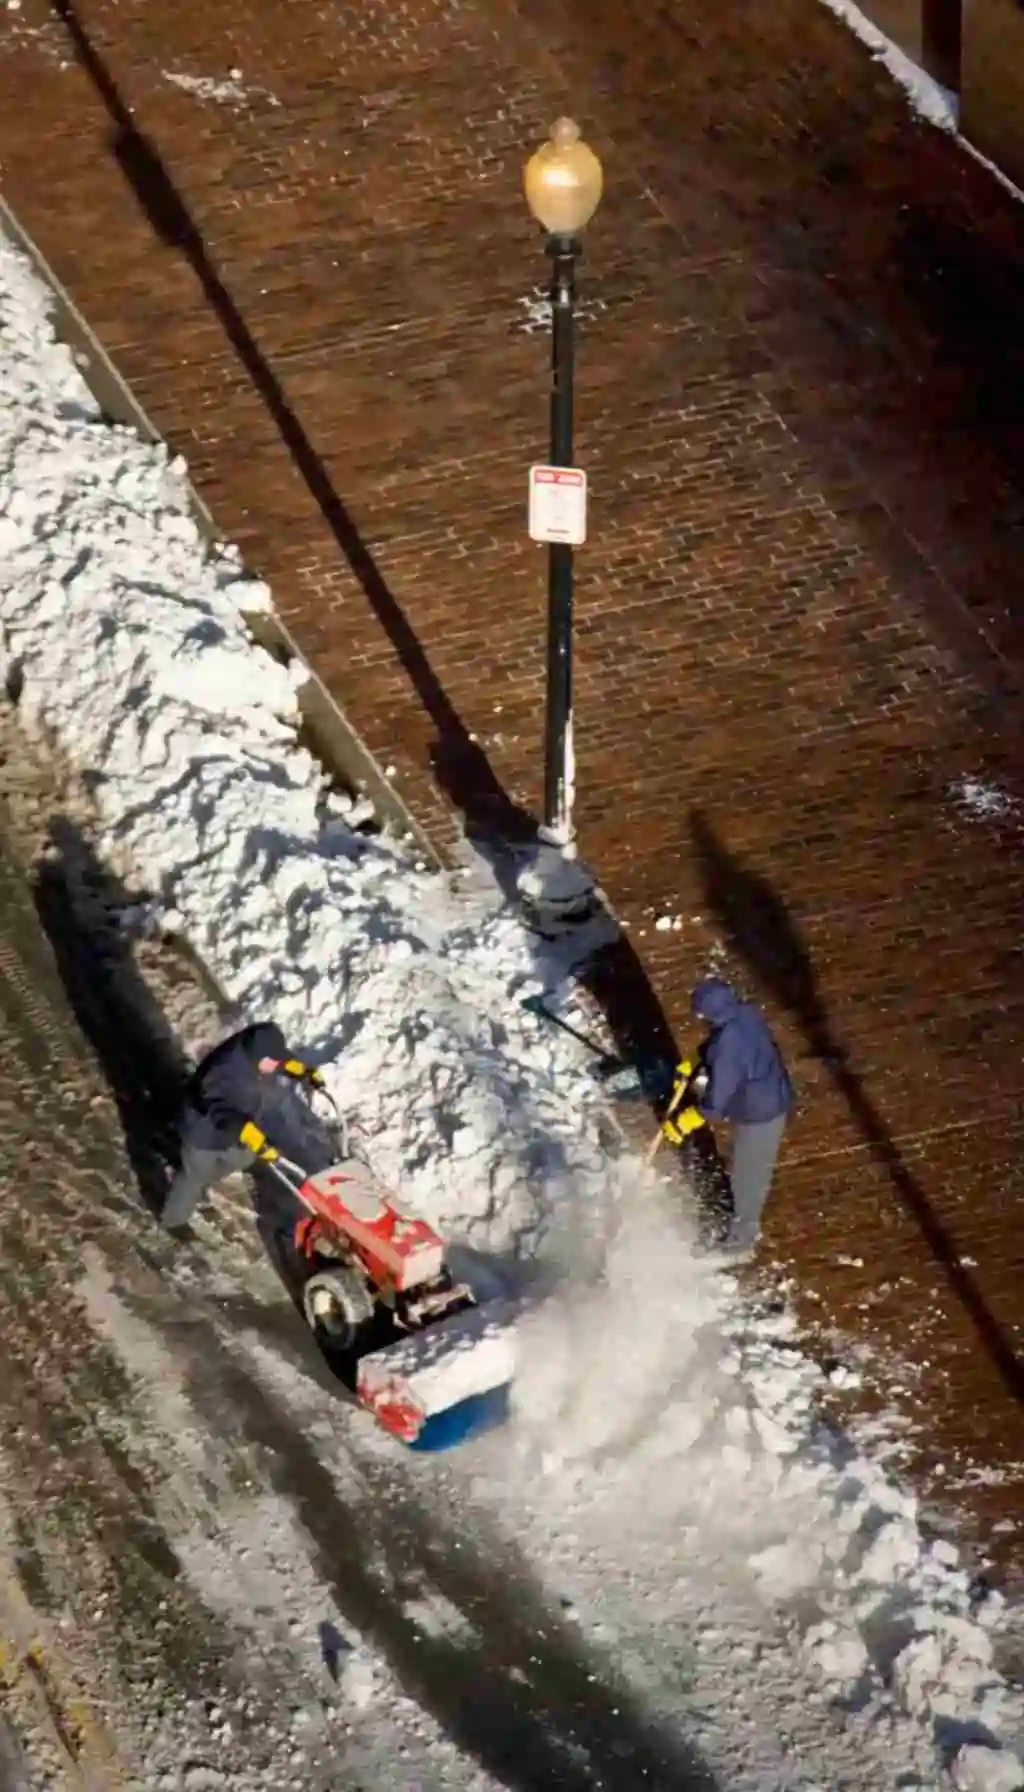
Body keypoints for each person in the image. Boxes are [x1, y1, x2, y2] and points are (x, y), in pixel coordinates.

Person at [161, 1020, 323, 1234]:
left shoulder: (260, 1048)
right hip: (204, 1131)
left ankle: (205, 1176)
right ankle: (174, 1221)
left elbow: (281, 1059)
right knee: (194, 1177)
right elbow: (220, 1113)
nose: (275, 1066)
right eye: (271, 1062)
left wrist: (304, 1071)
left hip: (241, 1125)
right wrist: (248, 1133)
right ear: (257, 1057)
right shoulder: (222, 1073)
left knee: (243, 1157)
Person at [688, 977, 794, 1253]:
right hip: (768, 1093)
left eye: (701, 1014)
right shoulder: (746, 1013)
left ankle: (741, 1242)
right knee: (745, 1169)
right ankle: (738, 1229)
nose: (700, 1019)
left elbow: (719, 1094)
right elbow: (723, 1051)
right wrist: (701, 1063)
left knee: (748, 1178)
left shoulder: (728, 1046)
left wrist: (697, 1115)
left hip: (760, 1112)